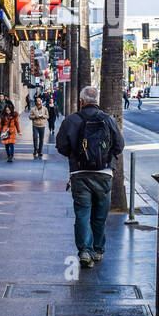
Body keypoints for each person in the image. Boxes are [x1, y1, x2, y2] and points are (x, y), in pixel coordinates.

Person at [56, 86, 125, 268]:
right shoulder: (108, 120)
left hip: (79, 174)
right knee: (100, 214)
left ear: (81, 101)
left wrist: (76, 156)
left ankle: (85, 251)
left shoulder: (71, 120)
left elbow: (61, 146)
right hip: (103, 174)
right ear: (97, 100)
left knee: (82, 213)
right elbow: (119, 146)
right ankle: (98, 249)